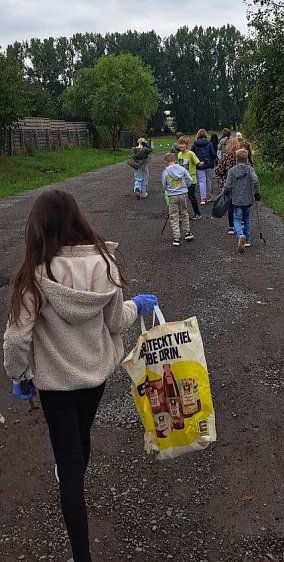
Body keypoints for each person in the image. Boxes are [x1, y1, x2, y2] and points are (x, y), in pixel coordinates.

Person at [3, 188, 158, 562]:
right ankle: (71, 466)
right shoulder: (105, 263)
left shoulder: (33, 275)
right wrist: (136, 306)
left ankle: (81, 555)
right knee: (80, 439)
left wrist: (19, 373)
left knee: (69, 468)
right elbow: (114, 322)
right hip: (94, 377)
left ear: (37, 228)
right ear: (77, 219)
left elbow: (16, 338)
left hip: (55, 383)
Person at [223, 148, 260, 253]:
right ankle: (247, 240)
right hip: (247, 199)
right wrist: (257, 192)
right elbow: (256, 180)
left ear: (236, 158)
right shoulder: (250, 169)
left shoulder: (232, 171)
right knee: (247, 218)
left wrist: (225, 192)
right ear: (247, 159)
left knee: (237, 219)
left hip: (236, 200)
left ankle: (240, 235)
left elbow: (228, 185)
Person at [162, 153, 195, 246]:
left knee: (174, 216)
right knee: (184, 213)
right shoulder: (182, 169)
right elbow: (189, 180)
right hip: (183, 194)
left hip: (172, 195)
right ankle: (187, 233)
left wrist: (168, 189)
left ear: (166, 162)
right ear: (175, 160)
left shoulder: (165, 172)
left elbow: (164, 185)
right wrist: (185, 187)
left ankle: (177, 238)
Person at [215, 136, 239, 234]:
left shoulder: (226, 156)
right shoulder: (241, 156)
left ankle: (231, 227)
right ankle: (240, 223)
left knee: (230, 205)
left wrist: (221, 174)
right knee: (239, 204)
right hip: (240, 184)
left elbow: (219, 170)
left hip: (227, 183)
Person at [177, 136, 203, 219]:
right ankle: (183, 214)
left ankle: (197, 213)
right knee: (182, 198)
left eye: (182, 144)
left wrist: (203, 163)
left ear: (186, 145)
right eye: (179, 144)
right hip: (182, 180)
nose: (181, 145)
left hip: (191, 179)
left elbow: (198, 163)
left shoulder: (191, 154)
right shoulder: (179, 154)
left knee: (191, 197)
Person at [191, 129, 217, 205]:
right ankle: (209, 195)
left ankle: (203, 198)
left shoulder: (195, 144)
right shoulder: (209, 143)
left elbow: (192, 154)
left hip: (199, 164)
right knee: (208, 180)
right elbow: (213, 154)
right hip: (208, 163)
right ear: (205, 134)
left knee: (202, 181)